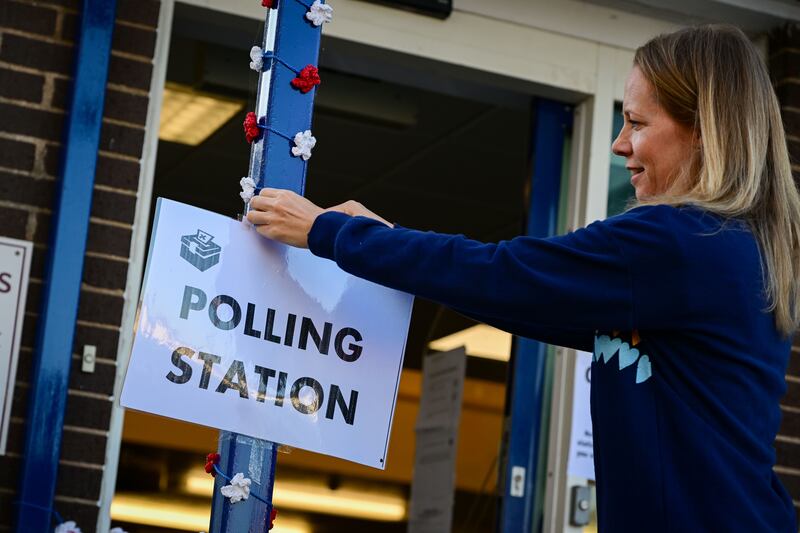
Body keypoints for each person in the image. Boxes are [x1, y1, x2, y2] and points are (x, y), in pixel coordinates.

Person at [247, 24, 800, 532]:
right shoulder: (721, 248)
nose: (618, 143)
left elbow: (503, 276)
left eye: (636, 122)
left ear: (703, 130)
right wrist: (386, 239)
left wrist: (328, 233)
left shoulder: (679, 243)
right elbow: (520, 297)